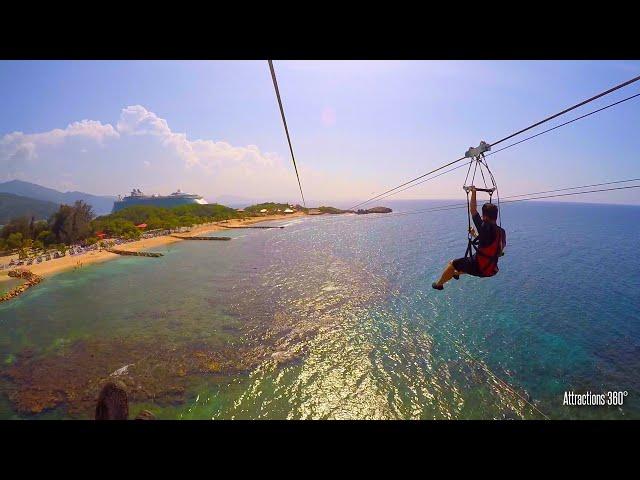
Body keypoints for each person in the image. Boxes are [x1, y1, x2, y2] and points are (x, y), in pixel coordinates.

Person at [432, 186, 506, 290]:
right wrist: (475, 235)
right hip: (491, 270)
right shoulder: (501, 232)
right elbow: (495, 248)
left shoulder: (485, 227)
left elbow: (473, 210)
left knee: (452, 263)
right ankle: (457, 273)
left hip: (479, 268)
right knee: (469, 262)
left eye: (482, 217)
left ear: (485, 217)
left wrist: (473, 192)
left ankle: (439, 284)